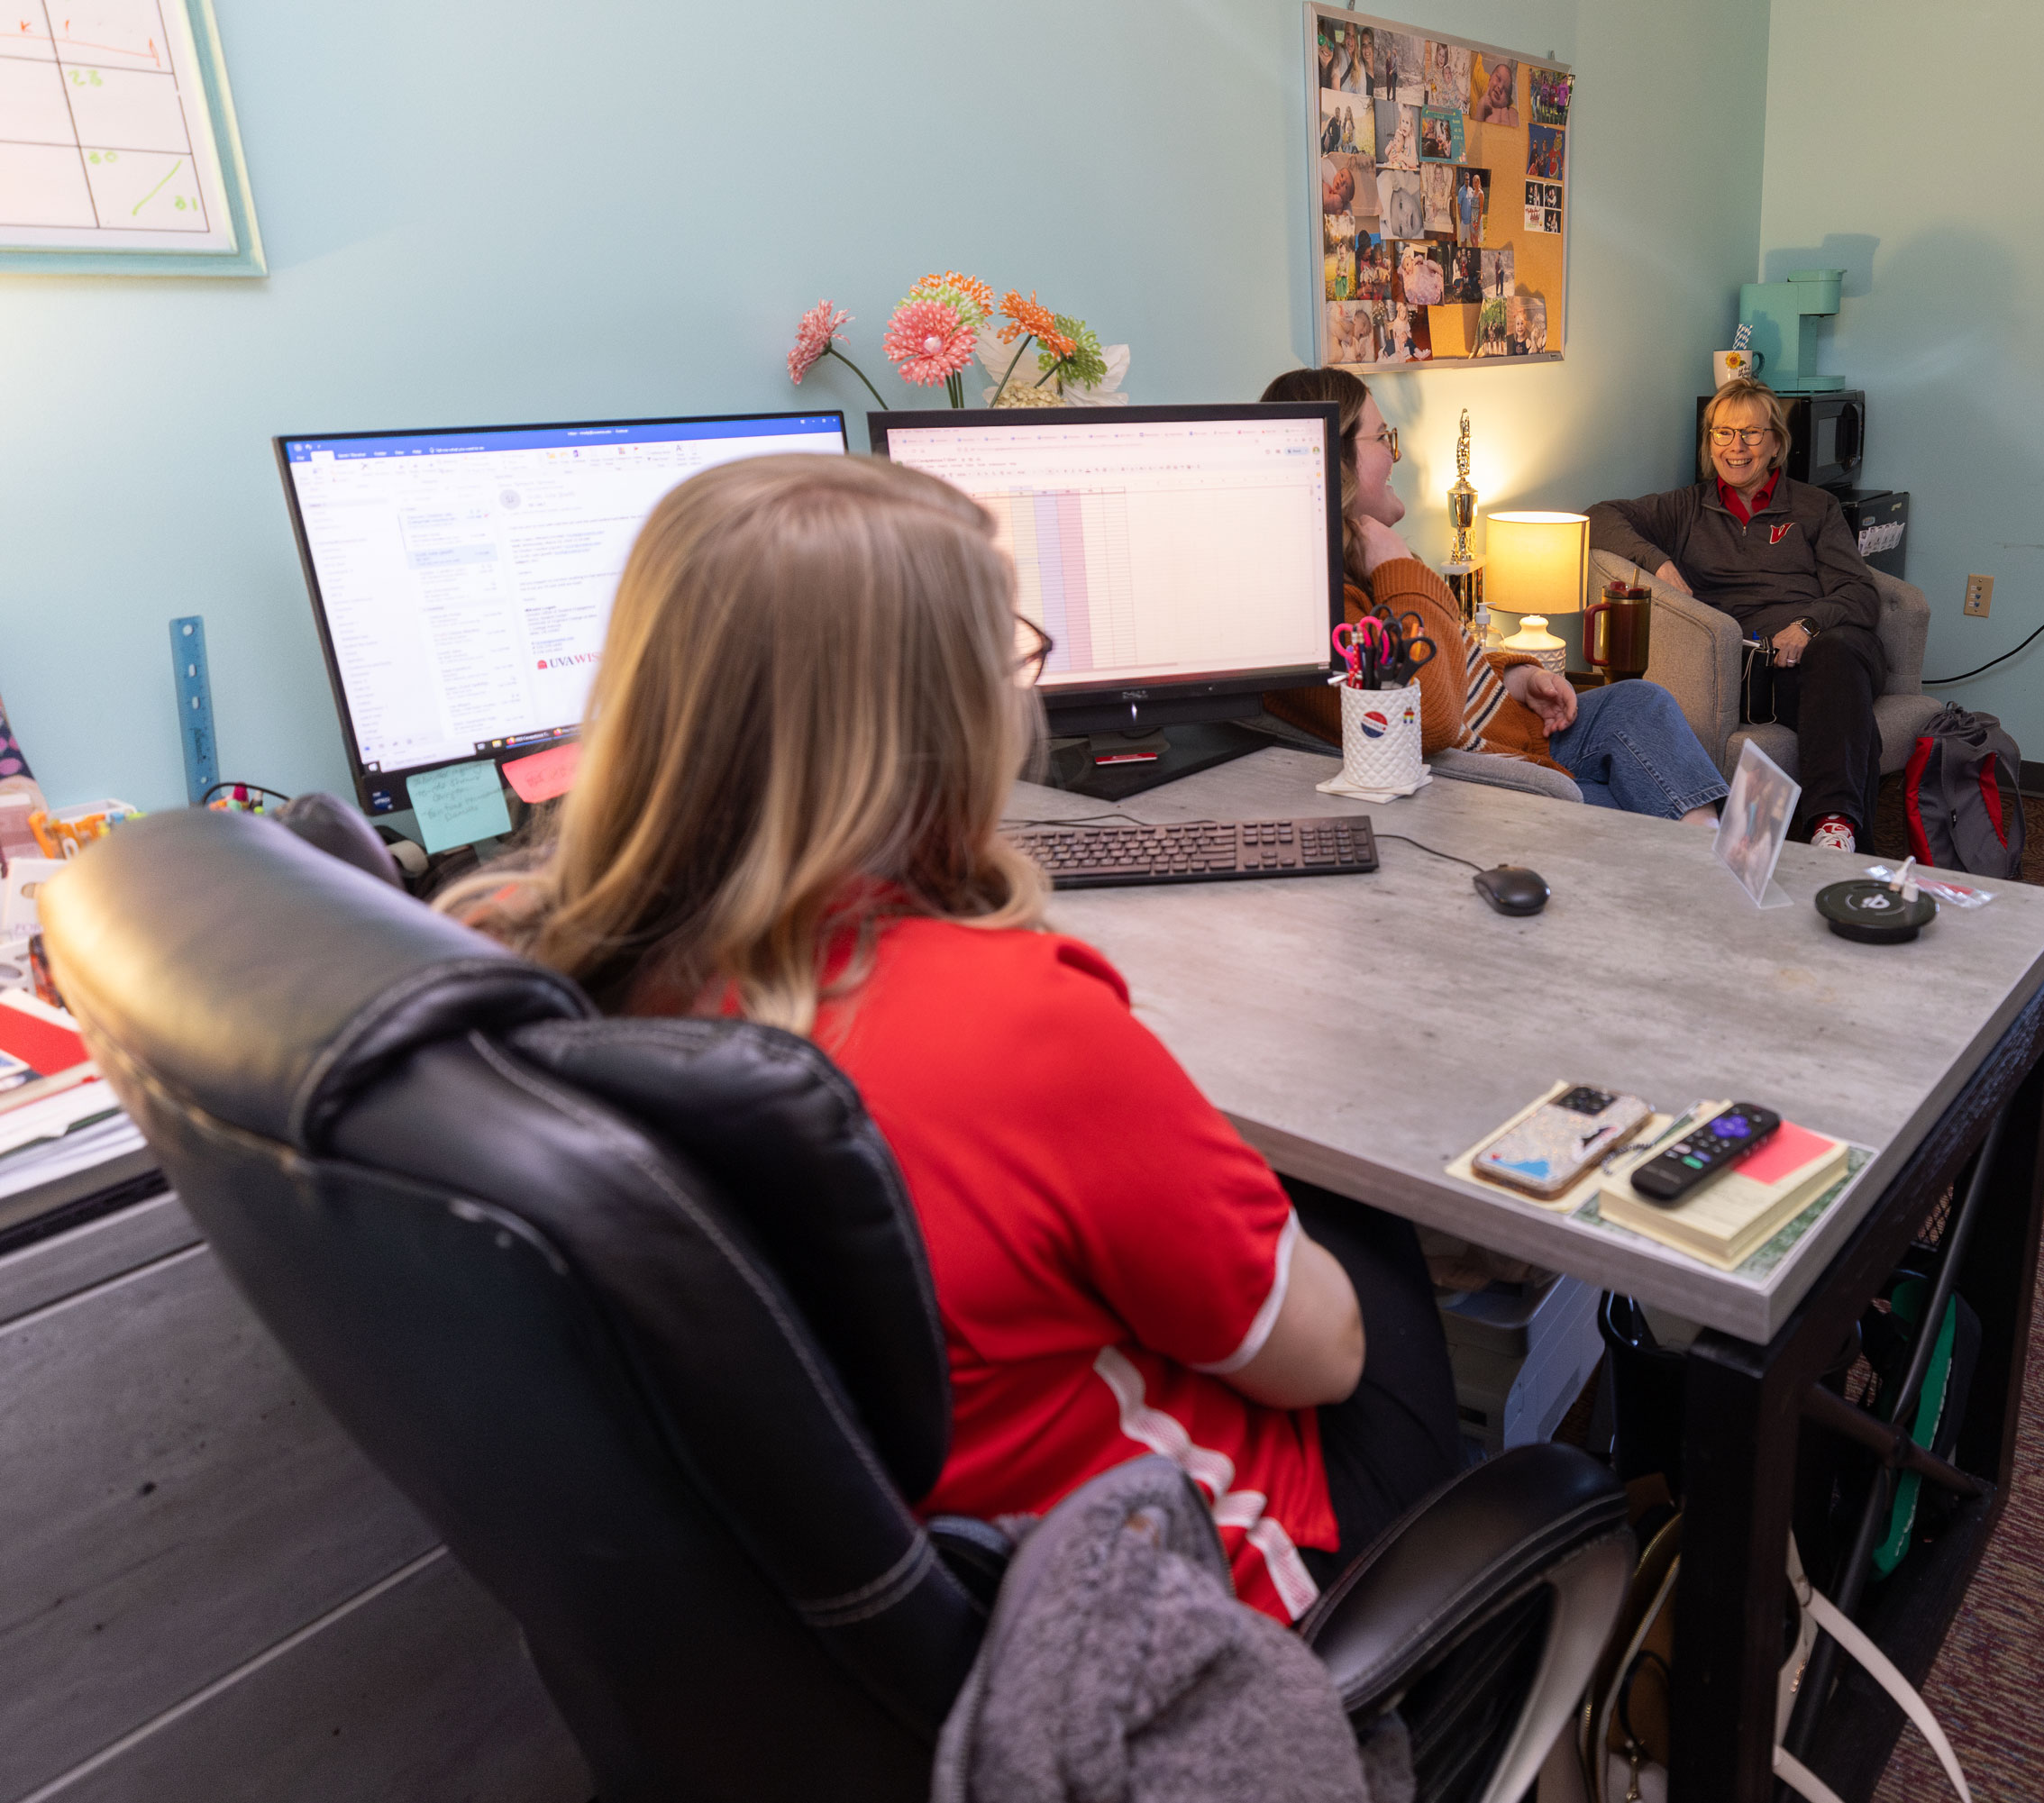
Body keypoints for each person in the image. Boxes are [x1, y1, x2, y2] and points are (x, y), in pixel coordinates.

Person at [440, 454, 1465, 1623]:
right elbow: (1324, 1358)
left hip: (894, 1581)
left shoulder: (522, 974)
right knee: (1365, 1205)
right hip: (1196, 1587)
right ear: (945, 719)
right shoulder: (1025, 1024)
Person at [1260, 368, 1728, 822]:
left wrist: (1516, 677)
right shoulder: (1319, 608)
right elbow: (1429, 723)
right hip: (1488, 780)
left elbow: (1450, 658)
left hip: (1520, 733)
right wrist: (1398, 568)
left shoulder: (1376, 562)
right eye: (1383, 438)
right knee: (1642, 808)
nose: (1396, 455)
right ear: (1333, 460)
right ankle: (1710, 869)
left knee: (1641, 702)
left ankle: (1710, 859)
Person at [1587, 377, 1886, 851]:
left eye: (1751, 433)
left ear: (1775, 444)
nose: (1736, 446)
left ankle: (1832, 829)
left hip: (1829, 645)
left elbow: (1859, 592)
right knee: (1842, 715)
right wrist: (1659, 563)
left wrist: (1806, 627)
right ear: (1710, 443)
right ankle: (1827, 842)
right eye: (1723, 433)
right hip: (1752, 667)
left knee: (1834, 661)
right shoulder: (1685, 508)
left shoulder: (1815, 507)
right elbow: (1600, 516)